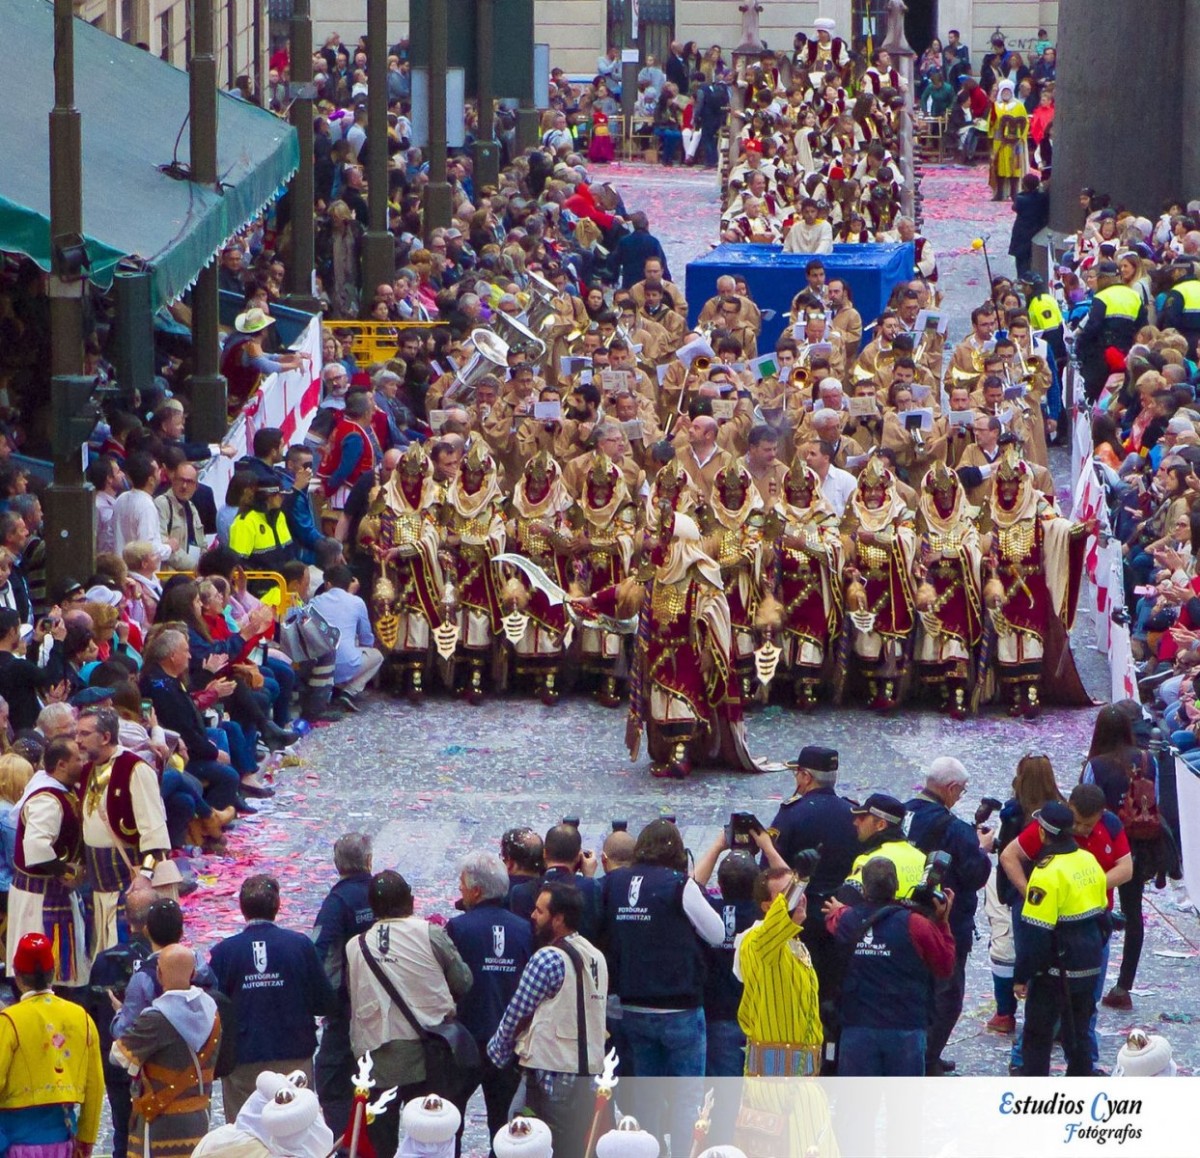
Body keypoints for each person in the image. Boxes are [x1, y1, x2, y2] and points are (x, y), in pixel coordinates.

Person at [599, 819, 723, 1153]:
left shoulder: (613, 884)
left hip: (632, 1006)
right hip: (679, 1007)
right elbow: (717, 933)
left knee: (647, 1096)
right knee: (686, 1098)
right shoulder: (678, 885)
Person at [345, 870, 473, 1158]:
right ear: (411, 901)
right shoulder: (430, 933)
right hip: (427, 1053)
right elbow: (463, 981)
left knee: (380, 1142)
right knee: (428, 1135)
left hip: (377, 1056)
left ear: (372, 909)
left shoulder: (355, 946)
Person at [488, 881, 608, 1158]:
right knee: (570, 1144)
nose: (532, 915)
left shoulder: (548, 959)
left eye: (540, 912)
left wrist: (496, 1053)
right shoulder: (595, 956)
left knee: (524, 1140)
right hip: (587, 1071)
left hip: (548, 1073)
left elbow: (517, 1012)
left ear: (558, 919)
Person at [209, 874, 335, 1120]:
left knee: (245, 1135)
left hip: (243, 1059)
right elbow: (324, 1001)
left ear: (242, 909)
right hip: (293, 1053)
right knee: (295, 1128)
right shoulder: (299, 945)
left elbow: (214, 1009)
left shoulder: (223, 953)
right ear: (277, 906)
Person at [823, 858, 956, 1076]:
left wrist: (841, 909)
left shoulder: (847, 921)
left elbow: (835, 920)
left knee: (857, 1106)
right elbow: (945, 966)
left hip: (857, 1026)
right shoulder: (917, 925)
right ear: (896, 886)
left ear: (864, 888)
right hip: (905, 1027)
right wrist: (942, 922)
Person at [903, 757, 994, 1076]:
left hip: (904, 915)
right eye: (962, 791)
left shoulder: (903, 812)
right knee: (948, 995)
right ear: (951, 787)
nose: (960, 796)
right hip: (945, 921)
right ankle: (926, 1057)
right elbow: (974, 875)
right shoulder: (954, 828)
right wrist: (982, 849)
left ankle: (921, 1052)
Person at [1009, 802, 1110, 1076]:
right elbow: (1103, 915)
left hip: (1056, 969)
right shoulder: (1089, 861)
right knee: (1077, 1036)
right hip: (1089, 962)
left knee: (1038, 1038)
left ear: (1043, 832)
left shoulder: (1045, 872)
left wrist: (1022, 976)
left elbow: (1035, 935)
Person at [445, 851, 533, 1153]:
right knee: (505, 1124)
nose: (460, 890)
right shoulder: (524, 928)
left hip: (467, 1040)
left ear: (476, 890)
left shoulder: (458, 928)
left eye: (462, 885)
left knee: (451, 1119)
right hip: (508, 1041)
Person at [77, 706, 174, 953]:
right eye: (77, 733)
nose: (77, 740)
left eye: (85, 734)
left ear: (106, 737)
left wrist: (145, 875)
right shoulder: (88, 770)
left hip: (129, 883)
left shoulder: (135, 769)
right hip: (99, 885)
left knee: (127, 954)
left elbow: (154, 830)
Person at [112, 943, 223, 1158]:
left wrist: (122, 1016)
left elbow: (117, 1056)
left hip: (160, 1121)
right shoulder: (213, 1012)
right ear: (193, 972)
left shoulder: (154, 1018)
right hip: (200, 1117)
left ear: (159, 974)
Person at [0, 933, 104, 1157]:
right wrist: (85, 1141)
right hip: (63, 1144)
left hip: (15, 1146)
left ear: (17, 976)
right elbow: (95, 1087)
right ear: (53, 972)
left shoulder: (9, 1021)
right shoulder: (81, 1018)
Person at [5, 736, 88, 987]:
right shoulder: (47, 800)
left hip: (49, 894)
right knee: (42, 970)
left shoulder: (63, 791)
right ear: (61, 765)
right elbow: (36, 847)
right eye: (77, 759)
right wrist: (65, 871)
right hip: (40, 900)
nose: (83, 762)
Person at [311, 833, 376, 1138]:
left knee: (332, 1081)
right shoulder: (385, 892)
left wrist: (325, 1003)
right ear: (368, 861)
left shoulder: (337, 903)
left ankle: (345, 1142)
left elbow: (318, 952)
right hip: (388, 1007)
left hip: (347, 1011)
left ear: (337, 865)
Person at [310, 564, 383, 710]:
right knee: (377, 656)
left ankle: (334, 688)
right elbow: (366, 638)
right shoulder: (357, 602)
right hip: (347, 666)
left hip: (318, 666)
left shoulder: (314, 602)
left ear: (327, 584)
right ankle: (349, 692)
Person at [839, 794, 925, 901]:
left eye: (862, 818)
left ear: (881, 825)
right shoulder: (923, 859)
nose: (855, 822)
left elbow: (848, 898)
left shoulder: (871, 861)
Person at [1009, 174, 1050, 279]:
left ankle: (1022, 281)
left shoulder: (1021, 199)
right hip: (1037, 230)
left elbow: (1015, 206)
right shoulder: (1042, 197)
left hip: (1022, 233)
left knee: (1021, 262)